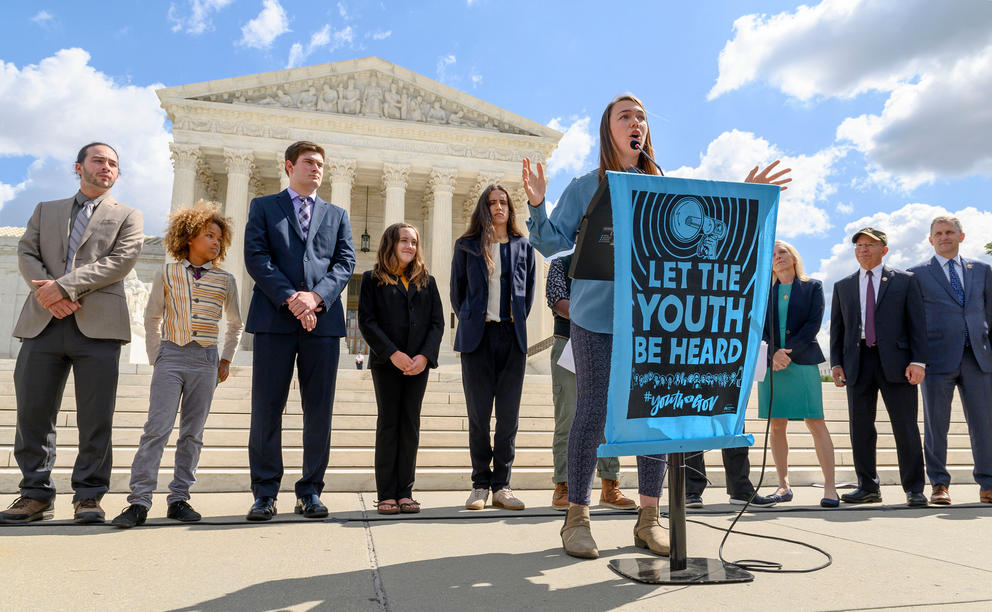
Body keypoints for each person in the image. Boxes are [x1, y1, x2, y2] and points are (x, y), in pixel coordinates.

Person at [523, 94, 791, 559]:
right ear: (608, 130)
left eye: (642, 117)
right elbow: (550, 243)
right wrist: (538, 204)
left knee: (656, 417)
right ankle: (578, 519)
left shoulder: (664, 187)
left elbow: (709, 232)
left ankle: (650, 519)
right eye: (625, 117)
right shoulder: (588, 185)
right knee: (590, 412)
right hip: (597, 317)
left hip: (654, 320)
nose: (636, 124)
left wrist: (746, 200)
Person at [0, 143, 144, 524]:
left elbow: (121, 261)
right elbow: (26, 253)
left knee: (96, 417)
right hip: (42, 322)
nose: (107, 167)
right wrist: (47, 295)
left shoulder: (129, 216)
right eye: (99, 160)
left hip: (97, 327)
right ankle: (34, 495)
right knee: (33, 414)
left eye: (114, 163)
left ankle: (89, 498)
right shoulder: (45, 210)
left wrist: (62, 288)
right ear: (78, 167)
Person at [243, 141, 356, 521]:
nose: (316, 169)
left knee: (318, 411)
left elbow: (344, 263)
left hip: (322, 324)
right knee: (267, 408)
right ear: (289, 166)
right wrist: (292, 298)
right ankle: (265, 493)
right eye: (309, 162)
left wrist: (316, 299)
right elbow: (256, 257)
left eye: (321, 164)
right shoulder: (263, 207)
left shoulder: (337, 214)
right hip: (275, 320)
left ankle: (310, 491)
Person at [111, 203, 243, 528]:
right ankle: (139, 502)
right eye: (208, 235)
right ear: (189, 237)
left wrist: (226, 359)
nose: (215, 242)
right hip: (171, 355)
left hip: (206, 360)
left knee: (192, 434)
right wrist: (157, 355)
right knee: (156, 430)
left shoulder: (226, 280)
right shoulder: (167, 273)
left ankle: (179, 498)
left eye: (218, 237)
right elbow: (152, 315)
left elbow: (235, 323)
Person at [451, 185, 536, 511]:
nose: (498, 207)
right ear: (484, 208)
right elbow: (457, 294)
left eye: (503, 202)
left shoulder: (523, 246)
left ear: (510, 208)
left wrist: (509, 321)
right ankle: (479, 485)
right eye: (492, 202)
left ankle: (502, 484)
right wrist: (474, 319)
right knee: (478, 415)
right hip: (477, 339)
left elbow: (526, 296)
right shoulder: (467, 246)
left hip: (511, 339)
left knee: (508, 417)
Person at [830, 227, 928, 506]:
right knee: (860, 427)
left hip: (897, 363)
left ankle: (914, 488)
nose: (863, 249)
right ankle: (868, 487)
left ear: (884, 250)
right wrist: (836, 362)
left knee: (905, 427)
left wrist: (918, 361)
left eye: (870, 245)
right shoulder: (843, 285)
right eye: (859, 245)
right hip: (857, 362)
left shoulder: (906, 281)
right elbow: (838, 329)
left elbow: (917, 324)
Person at [359, 223, 444, 515]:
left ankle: (405, 492)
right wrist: (393, 353)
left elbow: (437, 323)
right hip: (386, 363)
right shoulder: (372, 279)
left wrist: (424, 357)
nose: (409, 246)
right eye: (403, 240)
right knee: (389, 424)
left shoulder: (426, 281)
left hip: (418, 365)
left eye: (414, 241)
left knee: (410, 424)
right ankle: (386, 494)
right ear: (390, 244)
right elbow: (367, 321)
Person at [909, 216, 992, 505]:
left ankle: (988, 484)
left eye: (950, 232)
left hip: (978, 358)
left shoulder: (982, 270)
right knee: (936, 426)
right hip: (936, 359)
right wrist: (916, 359)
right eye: (938, 233)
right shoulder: (916, 274)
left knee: (984, 424)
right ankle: (939, 484)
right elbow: (913, 321)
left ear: (961, 236)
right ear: (931, 240)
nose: (944, 237)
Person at [546, 254, 634, 511]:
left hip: (608, 344)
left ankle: (610, 485)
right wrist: (589, 317)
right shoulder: (562, 263)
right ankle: (563, 486)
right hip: (569, 342)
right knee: (568, 417)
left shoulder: (613, 261)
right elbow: (556, 298)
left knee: (608, 418)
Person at [758, 240, 837, 507]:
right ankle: (783, 486)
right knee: (777, 424)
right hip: (772, 365)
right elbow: (758, 327)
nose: (778, 257)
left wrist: (786, 353)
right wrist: (773, 354)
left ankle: (830, 487)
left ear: (794, 257)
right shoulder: (762, 292)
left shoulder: (812, 286)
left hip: (801, 362)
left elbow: (813, 324)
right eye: (773, 255)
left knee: (815, 421)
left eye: (783, 252)